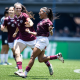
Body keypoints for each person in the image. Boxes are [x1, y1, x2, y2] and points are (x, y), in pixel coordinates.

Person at [16, 7, 64, 78]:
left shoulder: (48, 22)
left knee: (32, 56)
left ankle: (25, 73)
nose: (39, 13)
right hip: (40, 40)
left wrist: (50, 30)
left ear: (45, 13)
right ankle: (57, 56)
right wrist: (29, 32)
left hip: (42, 41)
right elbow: (38, 34)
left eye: (40, 11)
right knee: (40, 59)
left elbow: (51, 33)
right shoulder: (41, 22)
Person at [13, 2, 53, 75]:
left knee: (40, 57)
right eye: (17, 8)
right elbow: (18, 26)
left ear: (21, 9)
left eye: (19, 8)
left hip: (32, 39)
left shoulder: (24, 15)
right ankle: (20, 70)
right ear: (14, 9)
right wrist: (15, 32)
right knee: (17, 53)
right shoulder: (15, 17)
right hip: (22, 39)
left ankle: (49, 65)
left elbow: (30, 22)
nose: (18, 9)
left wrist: (30, 24)